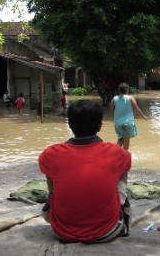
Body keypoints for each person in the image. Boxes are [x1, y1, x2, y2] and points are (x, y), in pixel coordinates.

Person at [39, 100, 131, 243]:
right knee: (122, 170)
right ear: (100, 126)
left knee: (52, 173)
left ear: (69, 125)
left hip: (62, 231)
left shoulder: (50, 154)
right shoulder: (118, 153)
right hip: (107, 231)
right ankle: (121, 205)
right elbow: (125, 163)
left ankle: (57, 202)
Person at [111, 82, 147, 150]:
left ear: (119, 90)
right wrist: (143, 116)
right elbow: (137, 108)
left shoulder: (114, 99)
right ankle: (125, 155)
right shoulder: (130, 98)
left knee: (120, 138)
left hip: (117, 122)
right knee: (127, 139)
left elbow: (112, 110)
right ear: (127, 90)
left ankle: (117, 153)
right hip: (128, 122)